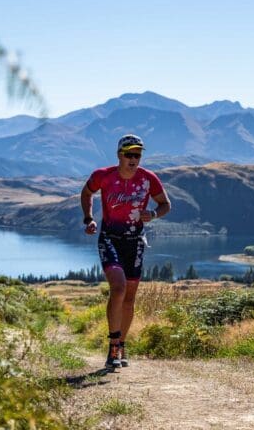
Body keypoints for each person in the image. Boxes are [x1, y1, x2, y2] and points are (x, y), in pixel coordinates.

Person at [80, 134, 171, 369]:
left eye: (137, 154)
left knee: (130, 298)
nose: (133, 158)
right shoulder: (103, 176)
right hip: (110, 238)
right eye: (129, 154)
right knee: (118, 288)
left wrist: (153, 214)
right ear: (119, 155)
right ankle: (112, 345)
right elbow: (86, 193)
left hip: (135, 241)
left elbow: (165, 204)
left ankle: (122, 344)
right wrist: (89, 219)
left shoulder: (148, 179)